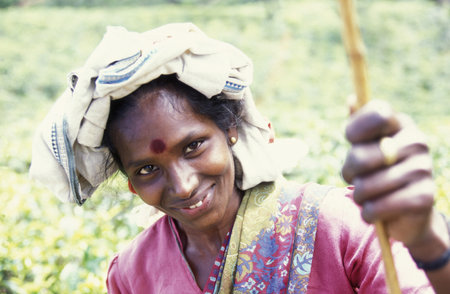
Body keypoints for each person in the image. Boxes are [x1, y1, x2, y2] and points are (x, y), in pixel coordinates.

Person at [30, 23, 450, 293]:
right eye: (147, 169)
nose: (183, 185)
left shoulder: (339, 226)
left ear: (230, 129)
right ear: (129, 182)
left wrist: (431, 244)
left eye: (193, 146)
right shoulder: (133, 273)